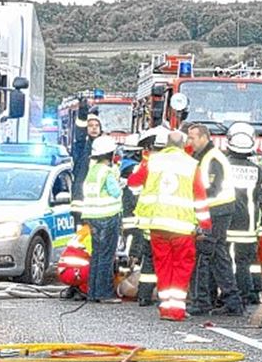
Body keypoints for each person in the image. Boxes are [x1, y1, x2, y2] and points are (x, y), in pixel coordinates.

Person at [134, 130, 211, 321]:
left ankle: (165, 307)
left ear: (166, 144)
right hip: (182, 228)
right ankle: (176, 310)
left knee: (163, 266)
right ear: (184, 145)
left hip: (157, 225)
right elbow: (199, 197)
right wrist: (205, 224)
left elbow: (133, 183)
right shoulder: (191, 165)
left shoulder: (152, 161)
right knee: (181, 267)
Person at [187, 123, 243, 316]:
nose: (190, 141)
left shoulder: (212, 158)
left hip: (216, 211)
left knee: (204, 255)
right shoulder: (204, 156)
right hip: (217, 209)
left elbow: (212, 188)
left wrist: (192, 201)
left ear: (204, 137)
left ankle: (202, 301)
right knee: (218, 257)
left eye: (193, 137)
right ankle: (231, 300)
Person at [224, 123, 262, 305]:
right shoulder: (256, 170)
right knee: (244, 262)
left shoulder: (223, 166)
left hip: (227, 222)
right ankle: (246, 294)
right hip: (249, 224)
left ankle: (230, 296)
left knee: (226, 261)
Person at [126, 127, 169, 306]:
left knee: (149, 259)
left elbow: (133, 186)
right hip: (169, 220)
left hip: (149, 220)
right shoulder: (179, 163)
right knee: (166, 261)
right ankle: (165, 298)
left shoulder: (148, 164)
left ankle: (144, 296)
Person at [78, 135, 123, 304]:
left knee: (96, 255)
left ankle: (92, 292)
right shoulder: (107, 171)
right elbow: (115, 192)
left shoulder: (93, 171)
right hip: (107, 216)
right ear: (110, 154)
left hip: (92, 217)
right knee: (106, 256)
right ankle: (104, 293)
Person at [71, 101, 103, 221]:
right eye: (90, 125)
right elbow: (79, 135)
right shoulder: (83, 146)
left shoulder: (106, 147)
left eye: (97, 125)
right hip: (81, 201)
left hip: (99, 205)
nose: (94, 128)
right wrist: (83, 112)